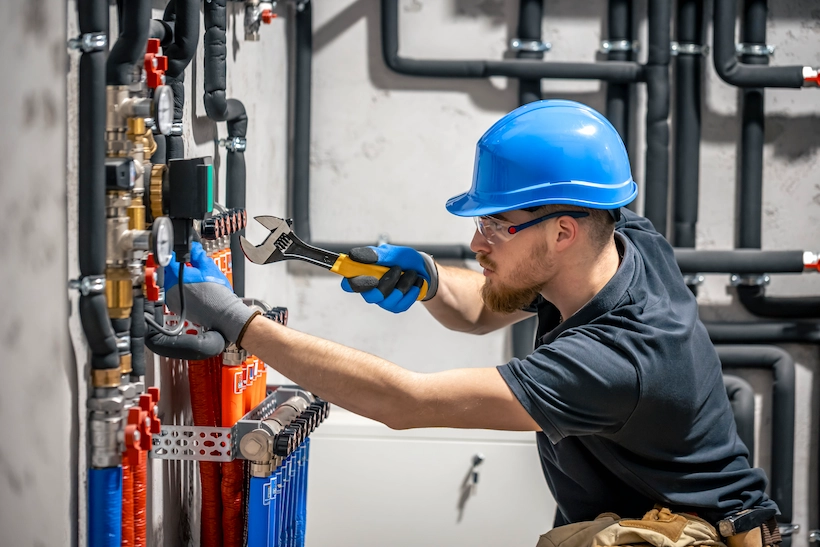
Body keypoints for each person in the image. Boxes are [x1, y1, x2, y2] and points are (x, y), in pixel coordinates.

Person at [165, 100, 779, 547]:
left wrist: (242, 325)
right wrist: (429, 278)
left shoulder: (619, 362)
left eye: (493, 224)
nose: (476, 241)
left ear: (563, 230)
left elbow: (408, 402)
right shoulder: (621, 241)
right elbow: (487, 305)